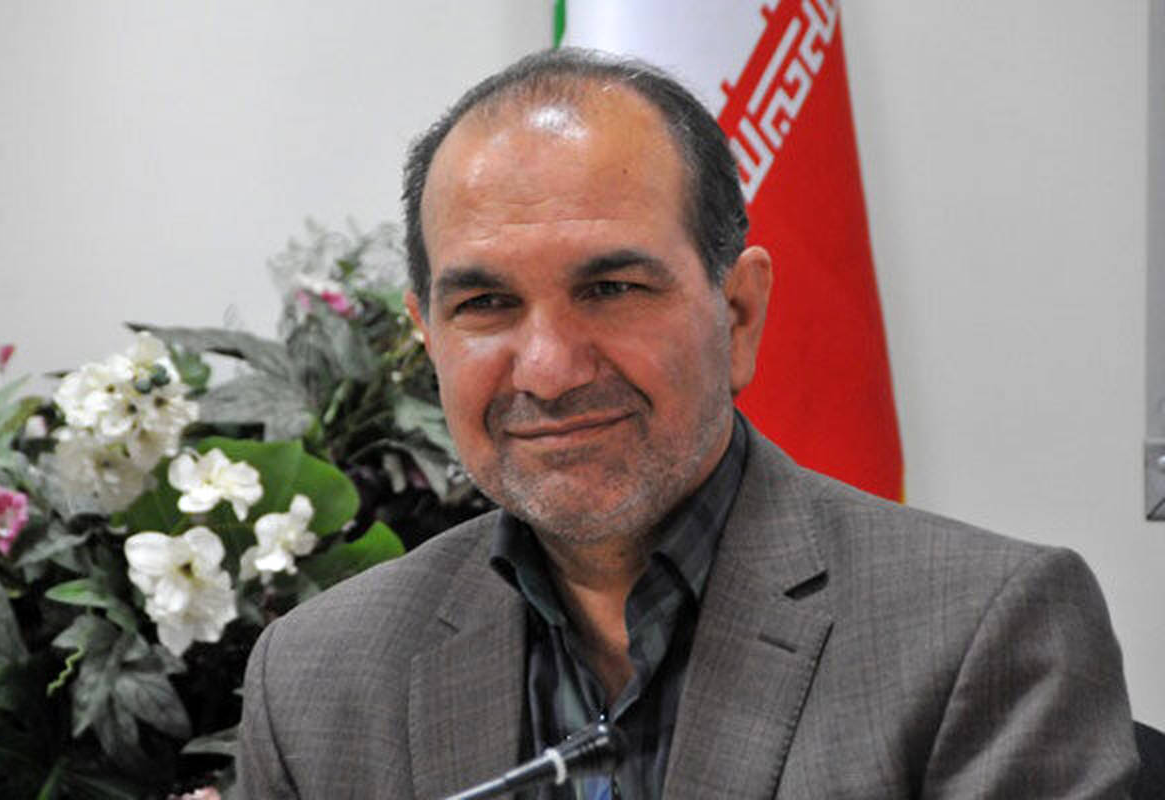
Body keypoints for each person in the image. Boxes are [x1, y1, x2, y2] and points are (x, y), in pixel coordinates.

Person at [235, 48, 1138, 798]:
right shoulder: (317, 678)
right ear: (428, 334)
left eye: (611, 289)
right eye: (486, 304)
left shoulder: (982, 633)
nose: (548, 370)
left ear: (737, 313)